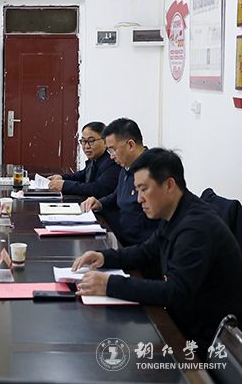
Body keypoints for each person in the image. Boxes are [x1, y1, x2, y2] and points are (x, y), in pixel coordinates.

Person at [72, 148, 242, 356]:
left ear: (169, 185)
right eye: (137, 190)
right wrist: (104, 257)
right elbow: (147, 251)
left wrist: (110, 284)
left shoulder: (195, 227)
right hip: (183, 321)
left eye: (144, 189)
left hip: (203, 340)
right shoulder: (176, 212)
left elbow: (175, 292)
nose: (139, 199)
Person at [80, 118, 159, 245]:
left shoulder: (152, 171)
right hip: (121, 239)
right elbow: (118, 194)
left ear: (131, 145)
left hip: (140, 246)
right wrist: (100, 203)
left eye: (113, 150)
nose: (111, 156)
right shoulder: (126, 165)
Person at [48, 122, 120, 198]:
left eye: (91, 141)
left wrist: (65, 185)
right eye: (83, 141)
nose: (86, 146)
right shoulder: (94, 159)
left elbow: (98, 189)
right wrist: (61, 178)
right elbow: (81, 175)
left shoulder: (112, 162)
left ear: (105, 142)